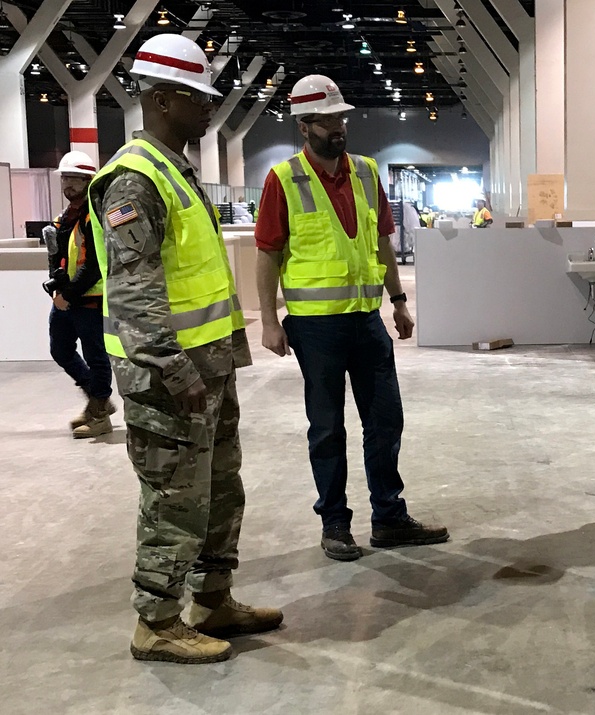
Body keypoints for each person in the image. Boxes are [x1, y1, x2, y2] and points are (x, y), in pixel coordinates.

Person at [89, 33, 282, 665]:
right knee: (174, 500)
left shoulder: (176, 171)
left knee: (220, 491)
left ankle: (213, 600)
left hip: (209, 369)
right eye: (199, 99)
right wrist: (171, 367)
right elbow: (134, 291)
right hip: (169, 378)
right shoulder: (133, 179)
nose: (208, 111)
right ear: (165, 98)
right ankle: (158, 623)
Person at [255, 74, 448, 562]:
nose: (338, 128)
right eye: (326, 120)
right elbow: (268, 254)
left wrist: (399, 300)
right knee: (327, 428)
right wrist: (269, 321)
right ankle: (335, 524)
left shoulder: (365, 172)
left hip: (366, 319)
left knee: (385, 421)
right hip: (314, 326)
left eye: (341, 118)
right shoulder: (283, 179)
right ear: (304, 127)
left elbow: (383, 240)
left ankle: (388, 517)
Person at [44, 151, 115, 438]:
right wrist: (57, 286)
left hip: (90, 300)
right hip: (67, 298)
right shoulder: (64, 218)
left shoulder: (95, 216)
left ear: (88, 181)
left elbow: (95, 266)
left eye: (74, 178)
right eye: (64, 178)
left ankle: (99, 414)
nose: (67, 184)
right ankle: (98, 398)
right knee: (60, 350)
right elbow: (58, 257)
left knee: (96, 356)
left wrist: (69, 295)